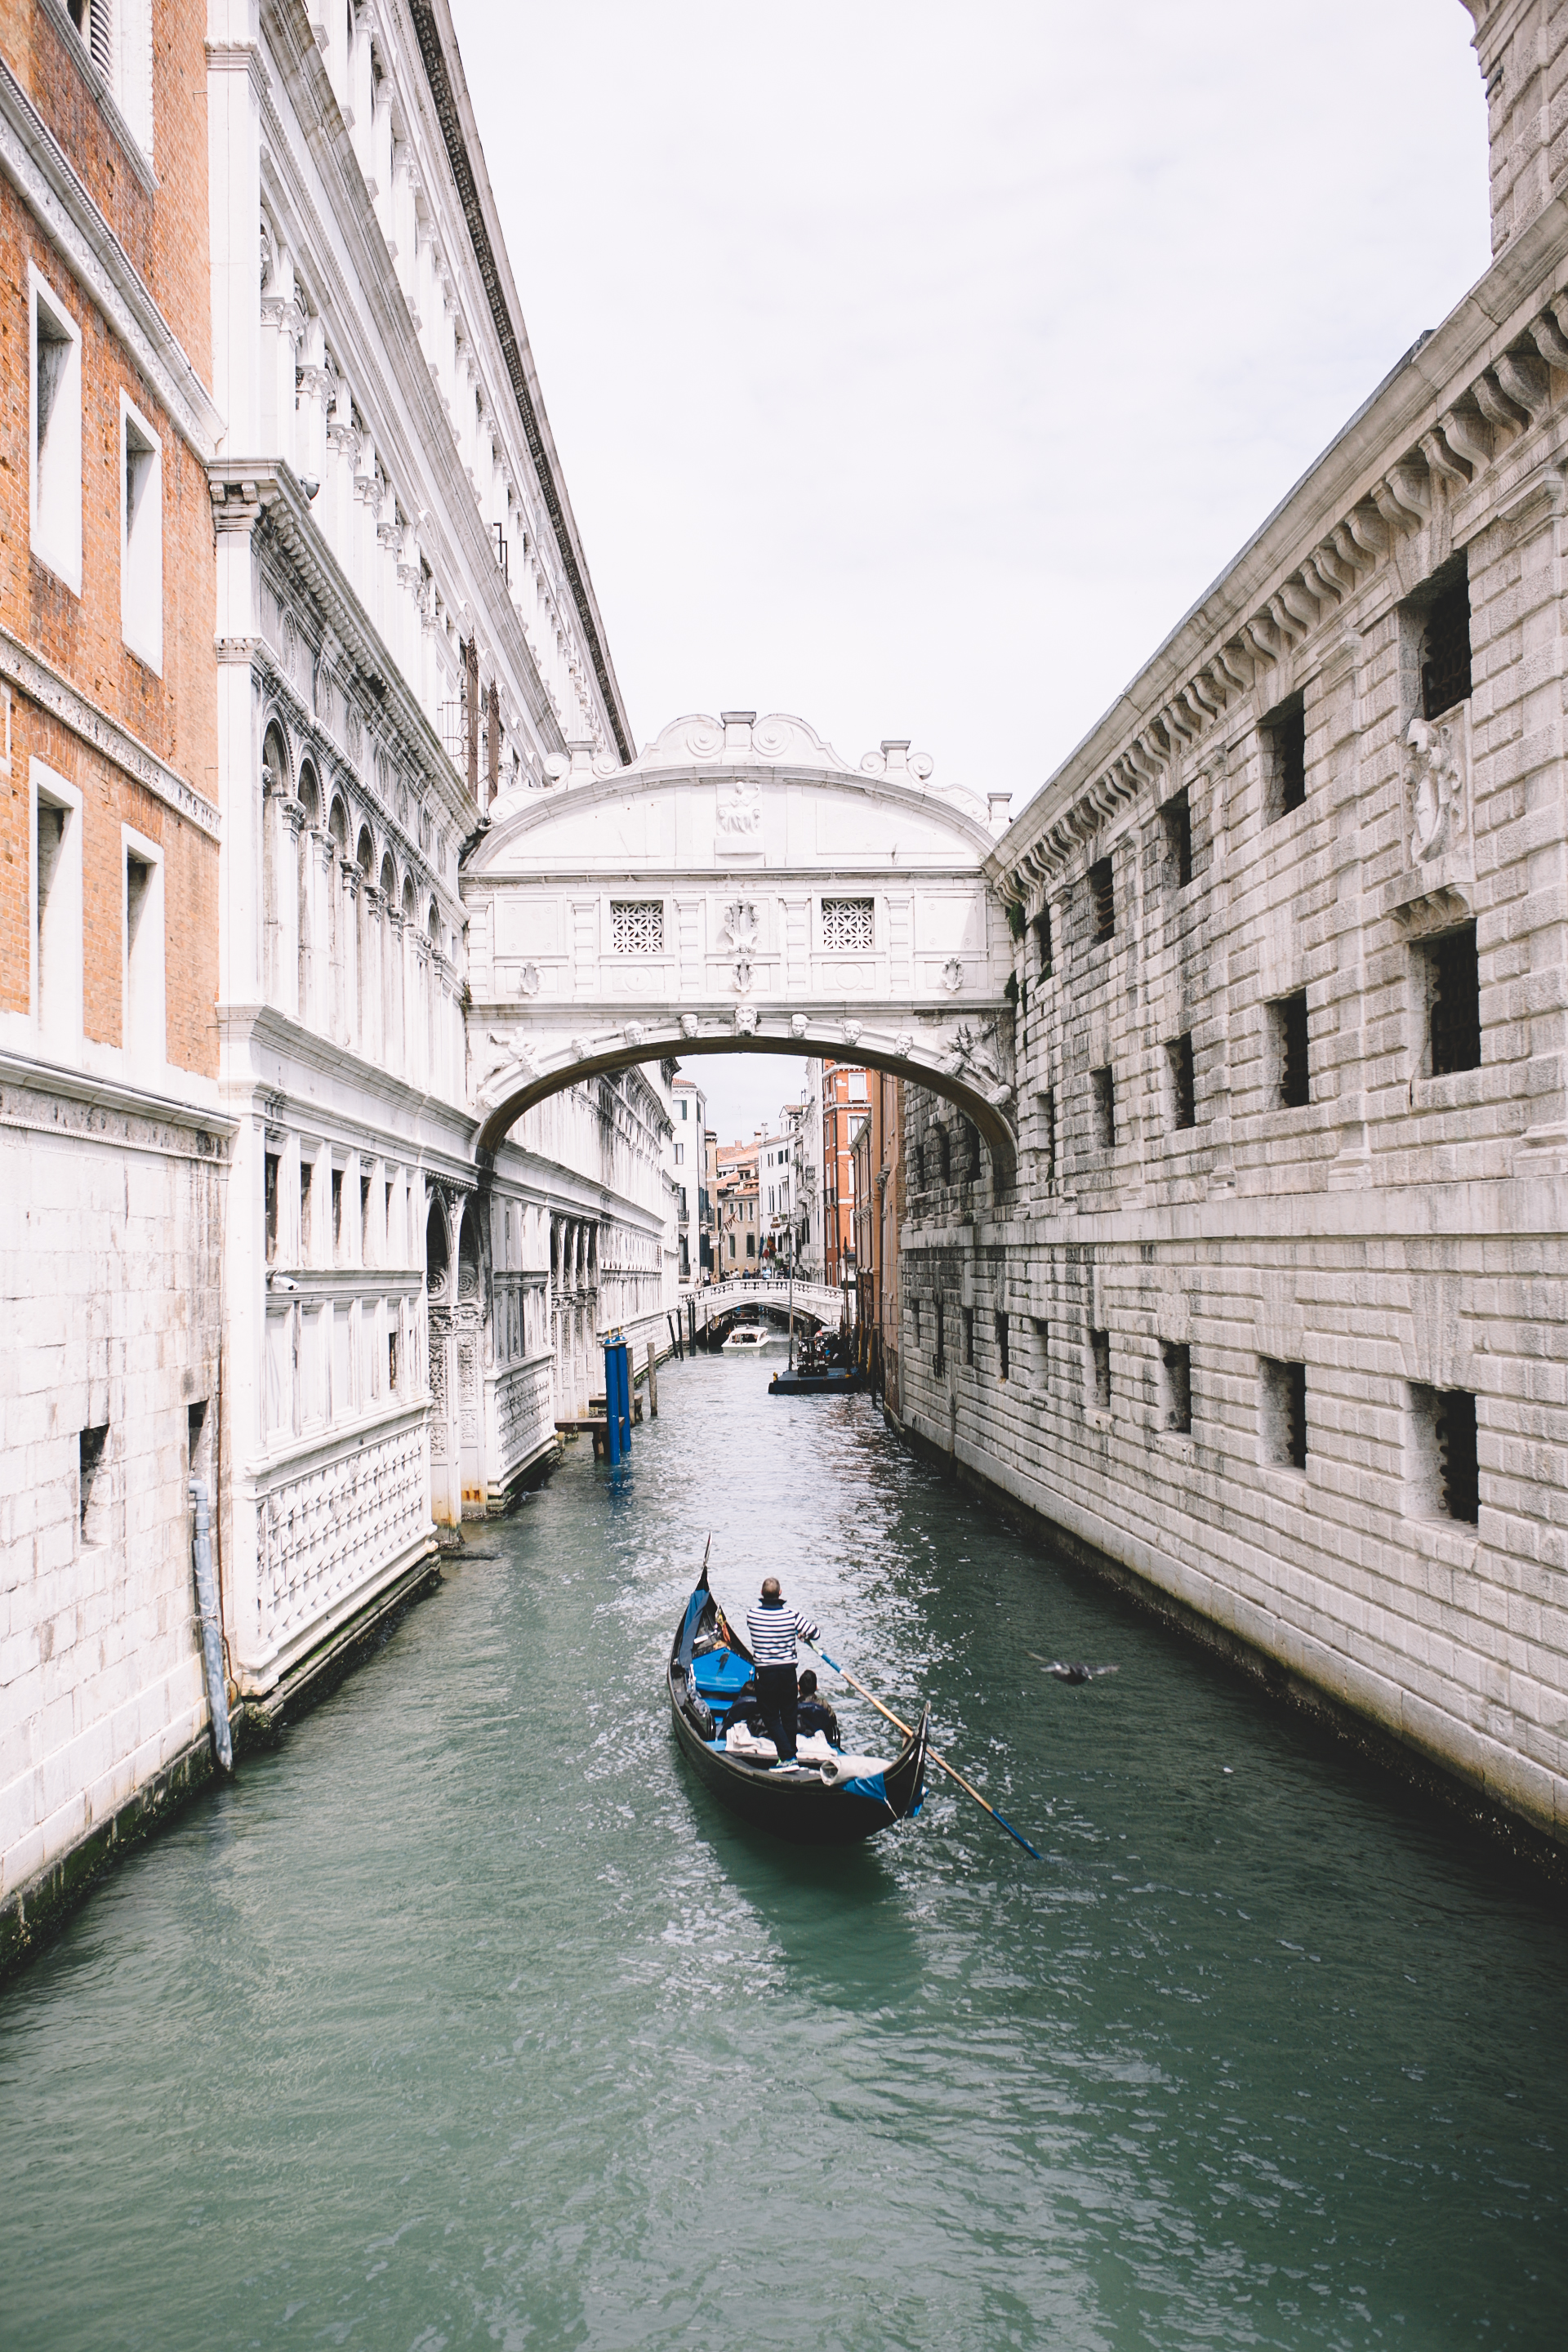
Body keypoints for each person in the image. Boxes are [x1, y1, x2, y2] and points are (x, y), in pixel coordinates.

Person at [745, 1575, 819, 1766]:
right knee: (789, 1714)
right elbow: (815, 1633)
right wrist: (802, 1634)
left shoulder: (752, 1615)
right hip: (788, 1674)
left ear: (761, 1594)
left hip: (766, 1674)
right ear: (780, 1594)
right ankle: (789, 1755)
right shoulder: (792, 1615)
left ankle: (787, 1756)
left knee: (770, 1716)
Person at [795, 1668, 840, 1748]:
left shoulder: (793, 1706)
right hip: (822, 1742)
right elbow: (833, 1722)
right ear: (816, 1687)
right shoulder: (823, 1704)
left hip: (798, 1742)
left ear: (799, 1688)